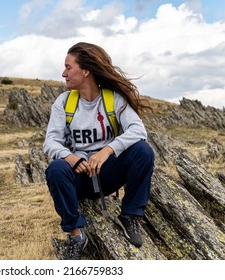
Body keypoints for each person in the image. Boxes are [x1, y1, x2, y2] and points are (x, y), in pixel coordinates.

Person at [43, 42, 154, 260]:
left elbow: (138, 130)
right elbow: (51, 142)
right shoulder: (64, 102)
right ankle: (76, 234)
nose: (63, 73)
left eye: (68, 67)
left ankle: (130, 215)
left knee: (143, 151)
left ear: (85, 71)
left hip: (107, 173)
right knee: (56, 168)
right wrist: (71, 157)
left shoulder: (113, 99)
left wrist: (108, 150)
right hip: (79, 178)